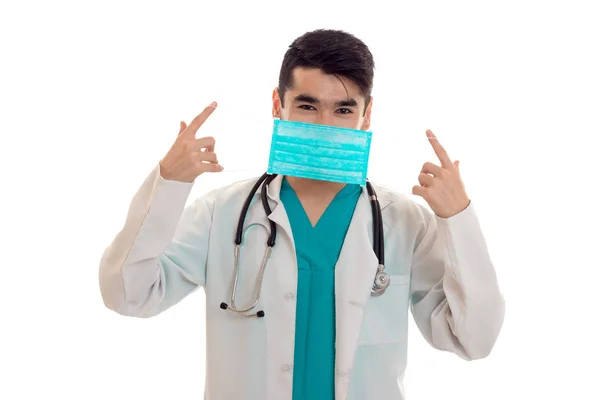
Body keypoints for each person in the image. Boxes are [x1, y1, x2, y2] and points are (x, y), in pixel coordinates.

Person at [98, 28, 505, 400]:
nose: (326, 125)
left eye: (344, 110)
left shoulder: (406, 223)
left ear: (367, 114)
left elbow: (474, 338)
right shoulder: (222, 214)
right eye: (308, 106)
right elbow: (128, 293)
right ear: (278, 105)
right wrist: (168, 183)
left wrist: (458, 219)